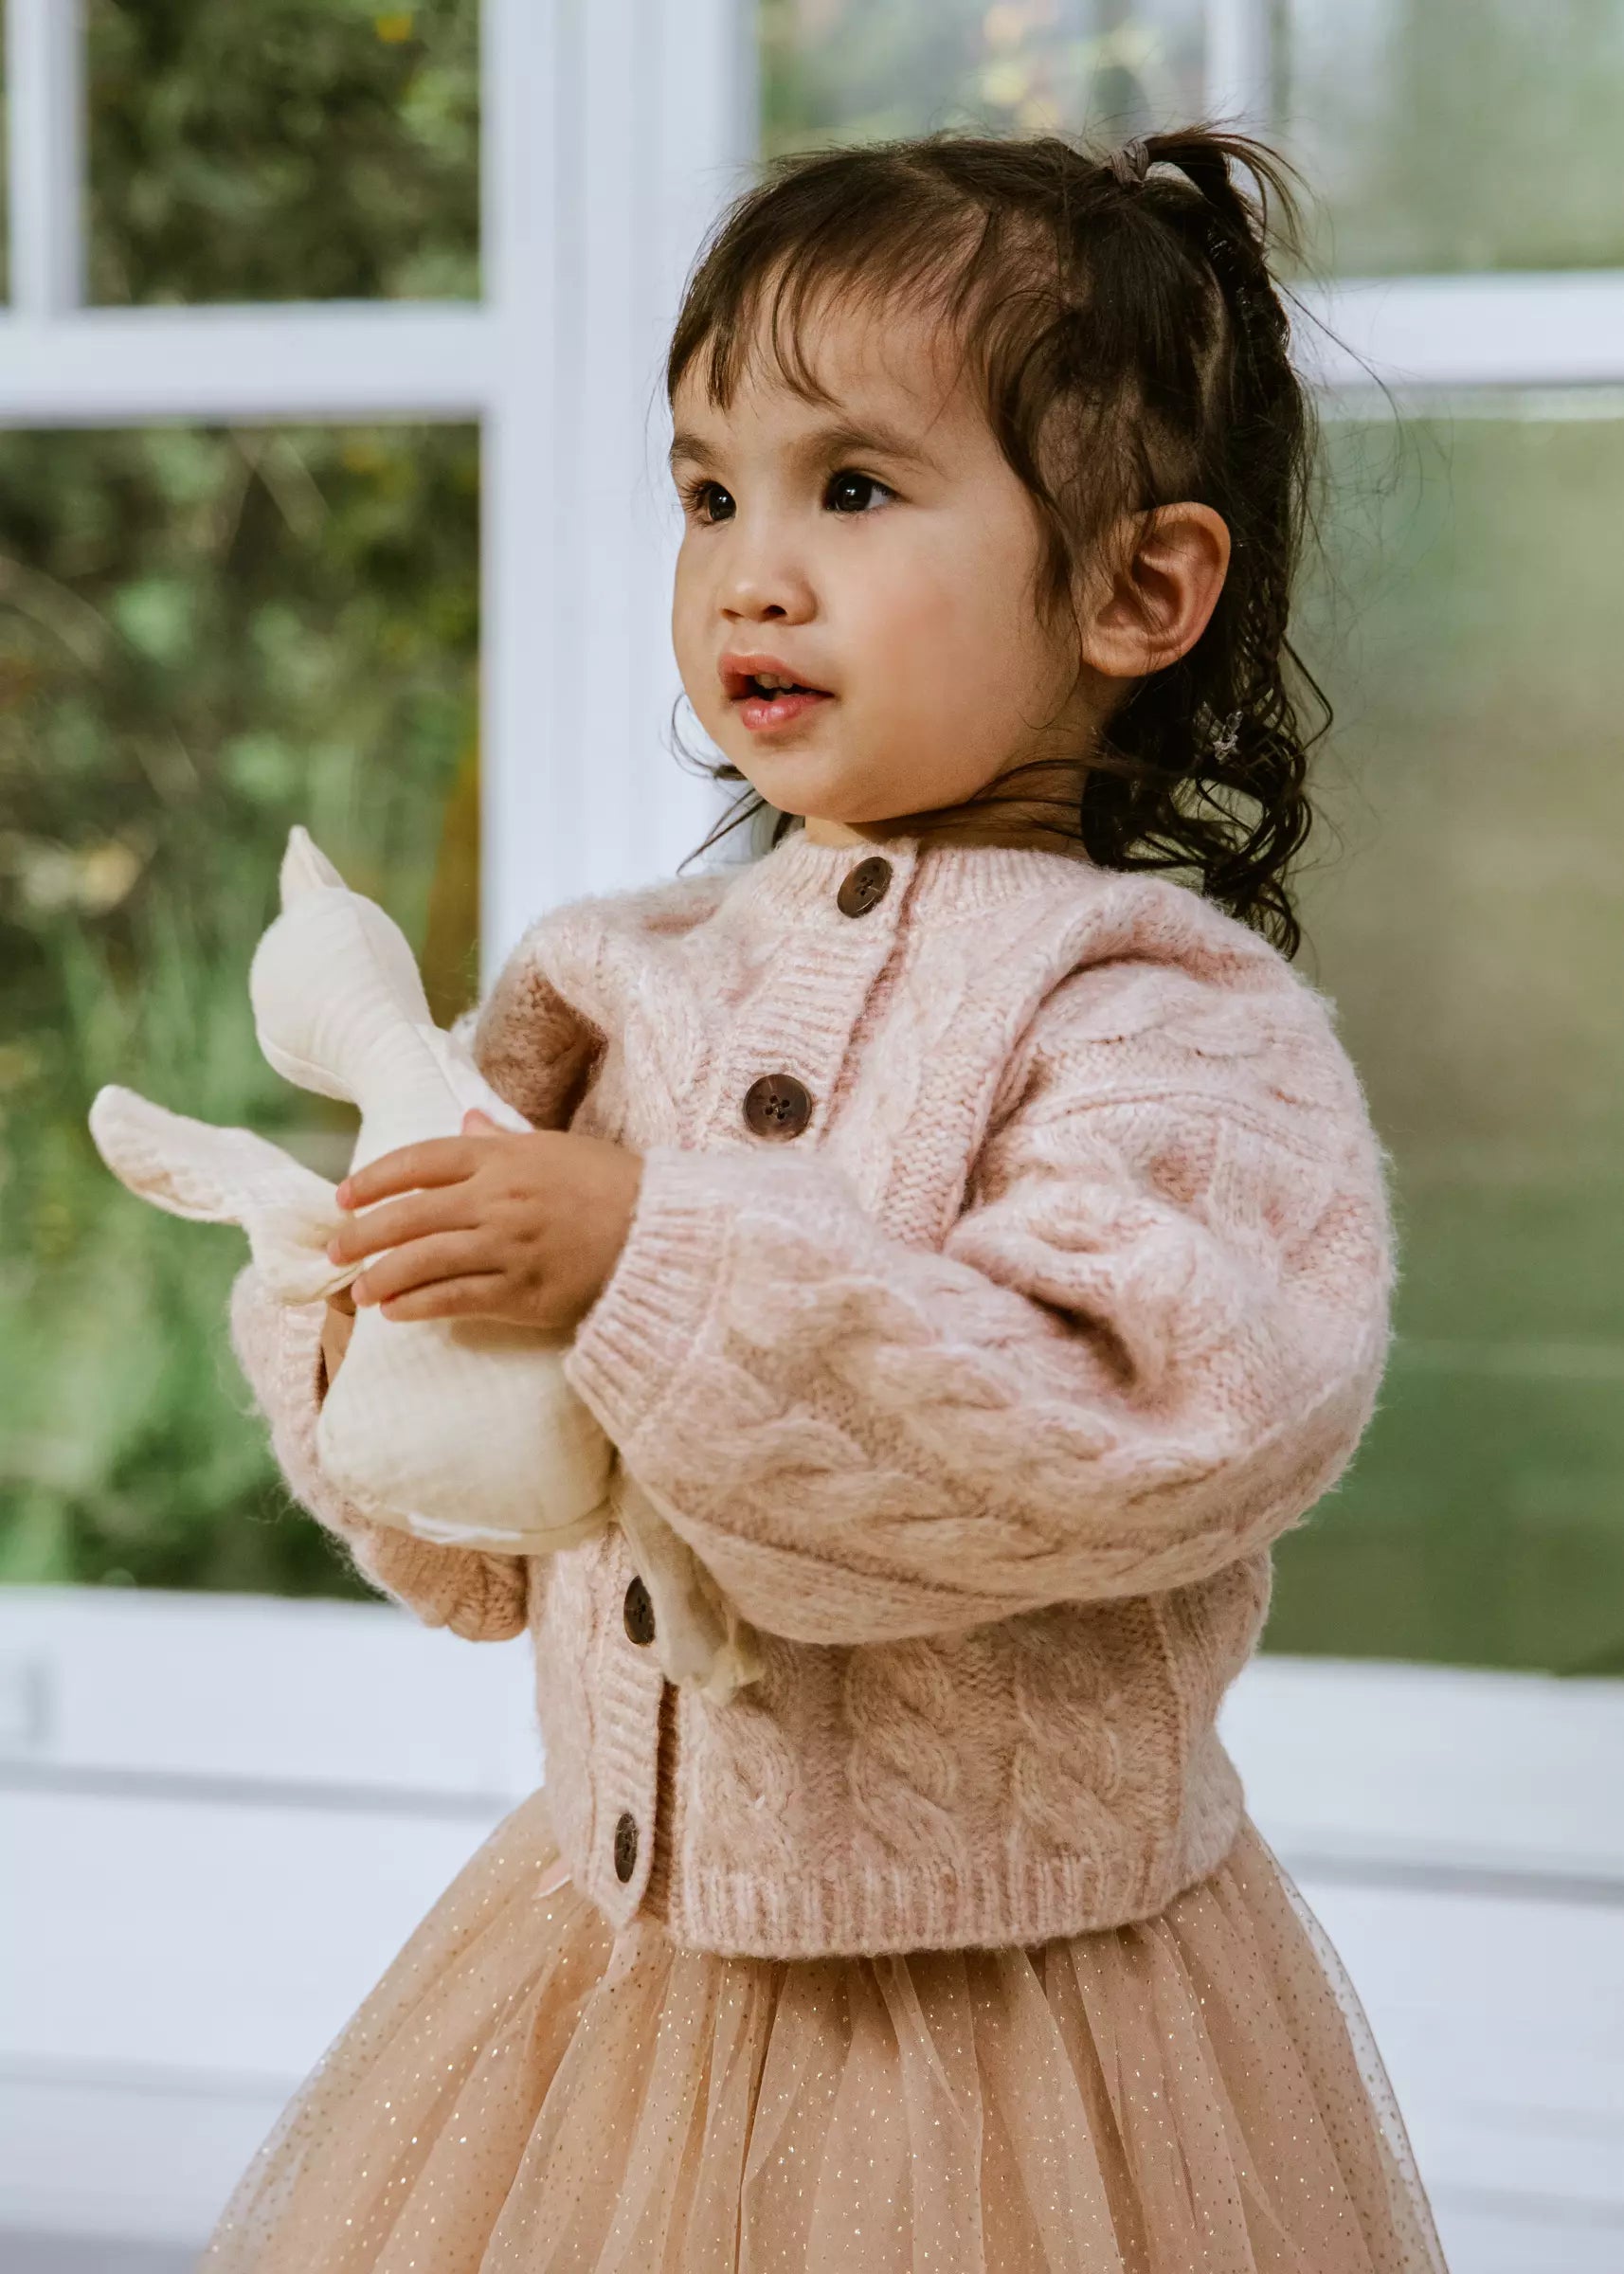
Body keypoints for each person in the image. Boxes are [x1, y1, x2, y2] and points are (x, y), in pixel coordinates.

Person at [206, 128, 1451, 2272]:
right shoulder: (611, 983)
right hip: (625, 1986)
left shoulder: (1156, 1023)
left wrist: (646, 1260)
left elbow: (1133, 1424)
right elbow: (485, 1539)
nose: (746, 577)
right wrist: (360, 1306)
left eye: (851, 490)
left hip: (1014, 2041)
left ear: (1138, 590)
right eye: (708, 495)